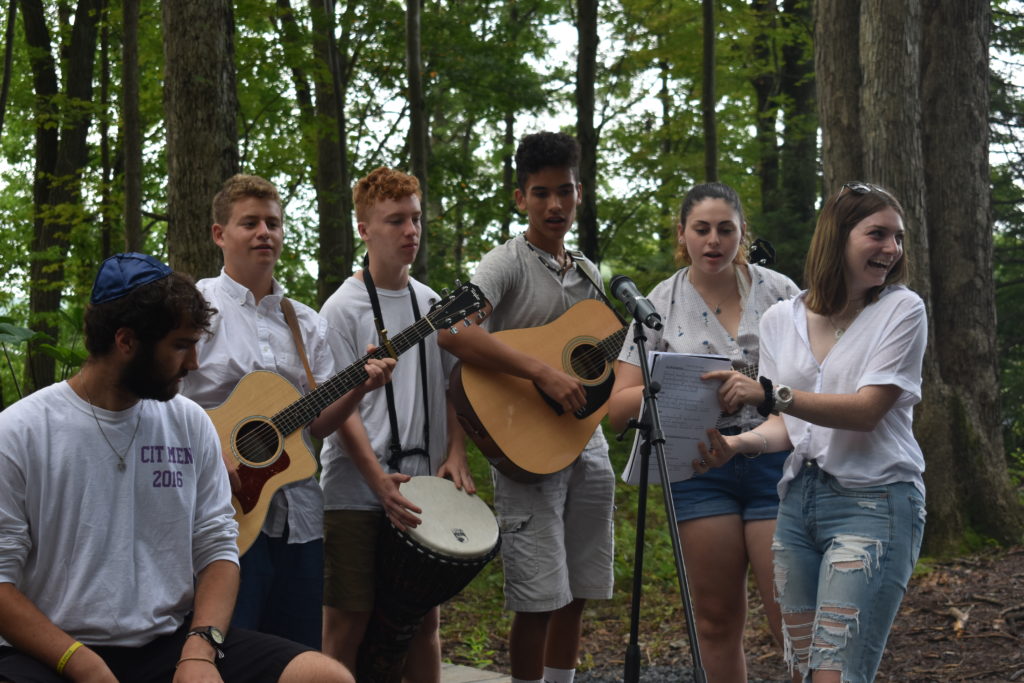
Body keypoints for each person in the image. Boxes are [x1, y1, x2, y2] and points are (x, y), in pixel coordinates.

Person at [0, 253, 353, 683]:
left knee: (324, 676)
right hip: (52, 653)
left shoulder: (190, 424)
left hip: (169, 644)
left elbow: (218, 550)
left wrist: (199, 650)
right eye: (181, 346)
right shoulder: (20, 431)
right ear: (125, 341)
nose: (194, 365)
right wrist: (86, 666)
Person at [697, 181, 927, 683]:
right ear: (838, 238)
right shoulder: (783, 318)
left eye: (899, 238)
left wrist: (770, 393)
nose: (892, 249)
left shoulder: (902, 310)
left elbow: (867, 410)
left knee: (835, 676)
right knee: (803, 670)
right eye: (878, 234)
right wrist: (735, 445)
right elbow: (787, 427)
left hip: (877, 504)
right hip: (798, 506)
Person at [180, 174, 394, 649]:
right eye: (250, 223)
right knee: (232, 649)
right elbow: (164, 403)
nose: (264, 233)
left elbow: (317, 422)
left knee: (295, 653)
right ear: (220, 234)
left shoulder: (305, 322)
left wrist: (360, 384)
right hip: (221, 514)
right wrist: (215, 456)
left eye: (273, 223)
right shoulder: (196, 310)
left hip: (299, 518)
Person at [437, 131, 615, 683]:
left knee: (581, 587)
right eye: (540, 193)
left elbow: (599, 353)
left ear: (580, 193)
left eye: (564, 191)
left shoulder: (588, 273)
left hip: (586, 441)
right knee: (538, 596)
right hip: (523, 444)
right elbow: (451, 329)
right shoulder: (504, 264)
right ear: (520, 199)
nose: (554, 205)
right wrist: (541, 370)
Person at [607, 182, 798, 682]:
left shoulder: (781, 293)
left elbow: (817, 378)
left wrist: (759, 387)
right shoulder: (657, 305)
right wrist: (678, 381)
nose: (714, 240)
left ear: (741, 233)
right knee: (715, 619)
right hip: (696, 470)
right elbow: (617, 408)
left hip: (776, 461)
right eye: (702, 229)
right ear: (683, 235)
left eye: (725, 229)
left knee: (791, 616)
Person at [318, 166, 475, 679]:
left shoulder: (431, 304)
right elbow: (337, 409)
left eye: (416, 219)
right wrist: (376, 481)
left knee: (423, 622)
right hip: (355, 491)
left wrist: (456, 453)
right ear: (364, 229)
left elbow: (454, 386)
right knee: (349, 622)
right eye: (395, 221)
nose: (411, 231)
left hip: (422, 488)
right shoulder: (341, 310)